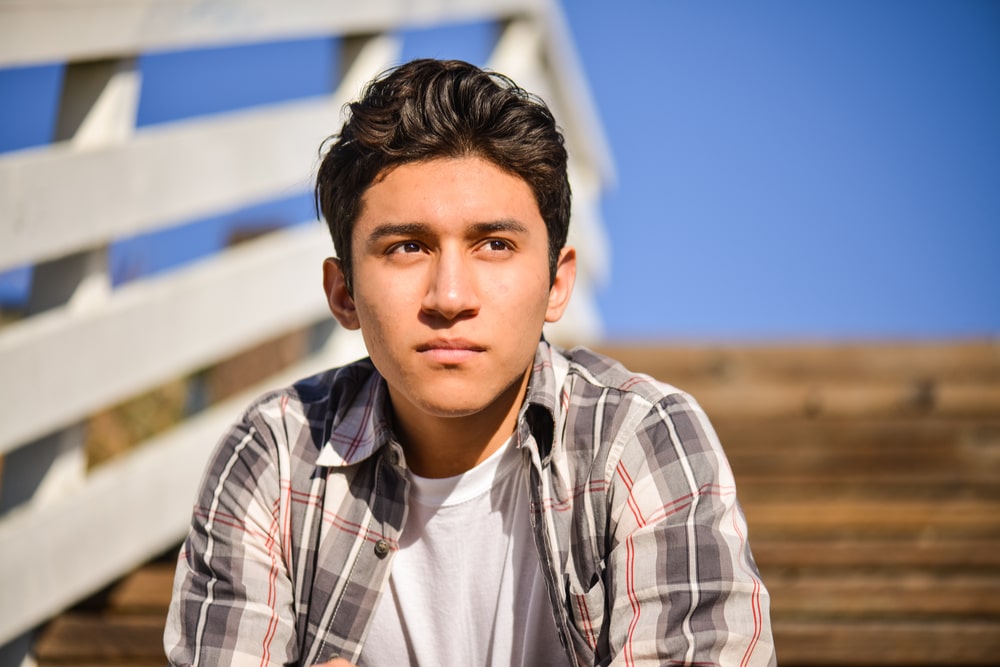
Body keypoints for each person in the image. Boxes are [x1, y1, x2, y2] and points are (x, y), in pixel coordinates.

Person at [164, 58, 775, 666]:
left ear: (556, 284)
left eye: (494, 245)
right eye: (407, 246)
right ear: (343, 294)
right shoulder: (273, 456)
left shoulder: (642, 438)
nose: (450, 297)